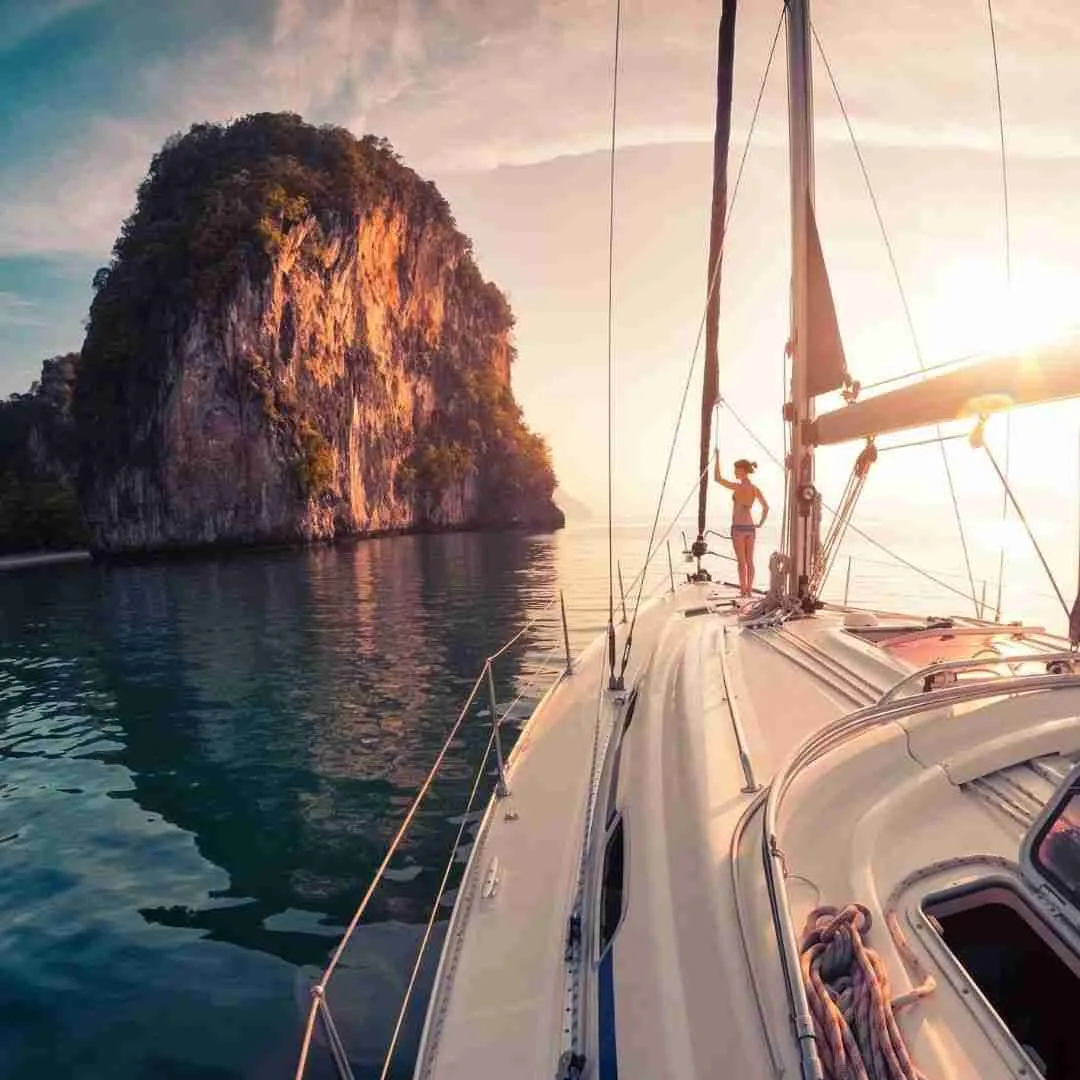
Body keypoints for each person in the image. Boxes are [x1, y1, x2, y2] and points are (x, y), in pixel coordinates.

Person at [713, 451, 769, 596]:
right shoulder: (755, 489)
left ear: (743, 471)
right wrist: (760, 524)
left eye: (736, 470)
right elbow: (766, 507)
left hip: (738, 527)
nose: (734, 473)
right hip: (750, 528)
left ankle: (743, 590)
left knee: (741, 562)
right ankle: (749, 591)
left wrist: (717, 457)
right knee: (750, 561)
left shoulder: (738, 487)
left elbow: (717, 478)